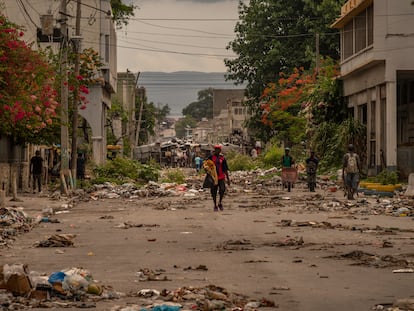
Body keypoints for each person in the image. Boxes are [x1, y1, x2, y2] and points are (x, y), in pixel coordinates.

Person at [207, 145, 230, 212]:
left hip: (221, 177)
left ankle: (220, 202)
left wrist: (228, 179)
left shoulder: (222, 158)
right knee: (213, 192)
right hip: (213, 178)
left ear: (220, 150)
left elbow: (225, 169)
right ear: (214, 150)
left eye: (218, 150)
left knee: (222, 190)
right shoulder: (210, 158)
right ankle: (215, 205)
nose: (217, 151)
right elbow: (206, 166)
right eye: (216, 149)